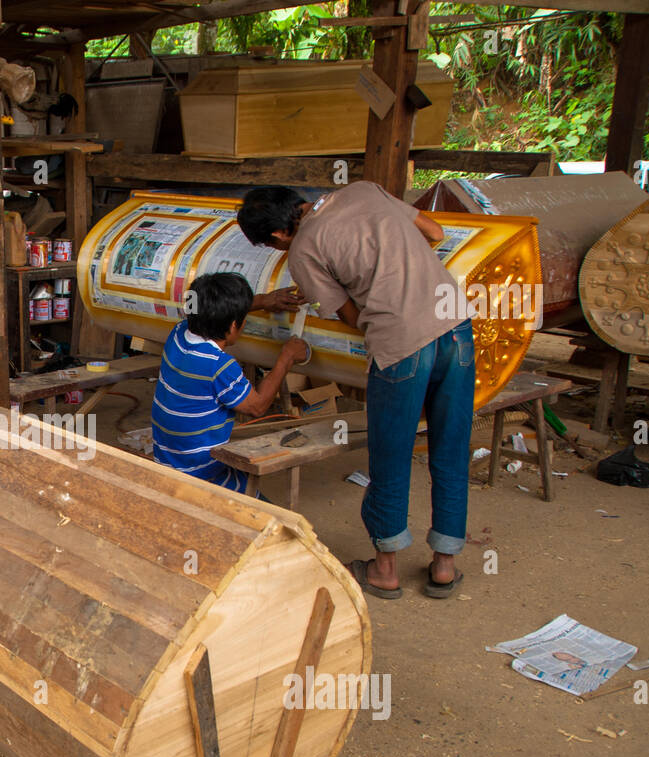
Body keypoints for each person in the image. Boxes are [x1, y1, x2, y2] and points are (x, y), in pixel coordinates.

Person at [237, 182, 474, 599]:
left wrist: (386, 296)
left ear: (276, 235)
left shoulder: (303, 251)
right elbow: (434, 233)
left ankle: (385, 570)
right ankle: (444, 565)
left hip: (401, 344)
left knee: (391, 456)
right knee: (451, 447)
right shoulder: (364, 190)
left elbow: (349, 315)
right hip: (455, 327)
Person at [152, 272, 309, 492]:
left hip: (169, 461)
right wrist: (287, 358)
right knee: (265, 515)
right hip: (201, 476)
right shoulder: (219, 366)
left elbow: (206, 311)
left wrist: (264, 300)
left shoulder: (178, 333)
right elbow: (257, 406)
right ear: (234, 325)